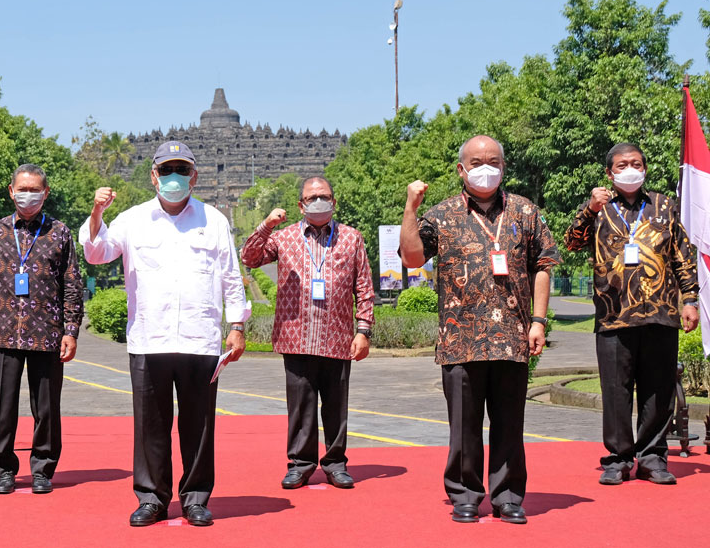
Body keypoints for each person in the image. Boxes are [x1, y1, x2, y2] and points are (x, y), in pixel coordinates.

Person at [79, 141, 249, 528]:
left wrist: (237, 325)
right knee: (150, 426)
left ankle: (195, 499)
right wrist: (97, 212)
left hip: (199, 339)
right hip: (149, 339)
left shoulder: (214, 220)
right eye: (167, 169)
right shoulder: (132, 219)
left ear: (194, 176)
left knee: (199, 426)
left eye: (182, 169)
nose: (174, 177)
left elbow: (231, 277)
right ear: (154, 175)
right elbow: (96, 252)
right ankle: (152, 498)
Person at [399, 135, 560, 525]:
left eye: (493, 161)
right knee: (464, 427)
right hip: (460, 341)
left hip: (512, 338)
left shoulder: (525, 212)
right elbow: (412, 257)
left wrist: (539, 320)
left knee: (509, 424)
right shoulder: (441, 214)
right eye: (476, 161)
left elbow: (544, 265)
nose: (484, 168)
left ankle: (507, 496)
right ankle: (465, 494)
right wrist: (410, 207)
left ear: (503, 167)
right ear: (461, 169)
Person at [564, 142, 700, 485]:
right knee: (615, 390)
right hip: (614, 315)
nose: (630, 169)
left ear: (645, 168)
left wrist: (690, 299)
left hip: (661, 312)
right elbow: (572, 242)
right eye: (622, 165)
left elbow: (683, 254)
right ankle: (619, 458)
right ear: (610, 172)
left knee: (658, 390)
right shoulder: (600, 209)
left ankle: (653, 457)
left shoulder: (663, 205)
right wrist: (589, 208)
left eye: (636, 163)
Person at [0, 164, 83, 495]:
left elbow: (71, 282)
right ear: (11, 191)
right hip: (2, 330)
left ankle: (43, 468)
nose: (28, 195)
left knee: (46, 406)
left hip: (46, 333)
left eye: (35, 190)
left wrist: (71, 329)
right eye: (22, 189)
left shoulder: (60, 233)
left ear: (45, 193)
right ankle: (4, 468)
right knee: (2, 404)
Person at [240, 176, 373, 490]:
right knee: (300, 406)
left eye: (324, 196)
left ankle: (335, 463)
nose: (318, 201)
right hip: (296, 335)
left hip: (338, 335)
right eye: (312, 197)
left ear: (334, 202)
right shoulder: (284, 238)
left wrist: (363, 330)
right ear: (300, 205)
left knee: (336, 404)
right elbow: (249, 257)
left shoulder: (352, 238)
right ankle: (300, 464)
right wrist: (265, 226)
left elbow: (364, 288)